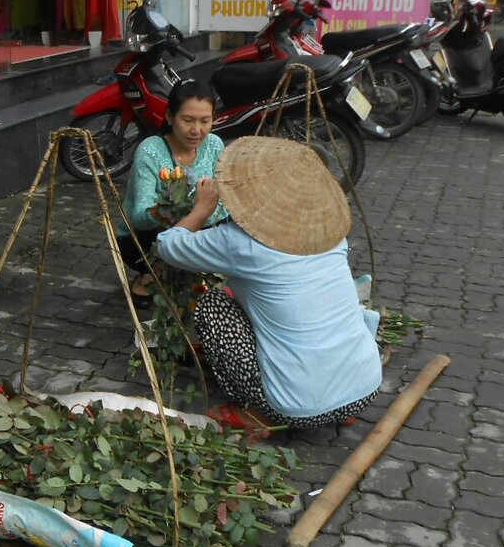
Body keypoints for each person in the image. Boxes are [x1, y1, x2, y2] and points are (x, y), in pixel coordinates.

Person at [156, 137, 383, 432]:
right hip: (364, 390)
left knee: (213, 304)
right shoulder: (330, 237)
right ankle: (339, 407)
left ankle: (255, 412)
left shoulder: (240, 243)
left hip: (296, 407)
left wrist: (202, 208)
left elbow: (169, 246)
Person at [115, 79, 226, 304]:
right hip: (148, 237)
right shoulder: (151, 150)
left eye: (205, 121)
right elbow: (139, 217)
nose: (197, 130)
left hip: (200, 232)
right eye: (187, 120)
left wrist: (202, 212)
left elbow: (223, 202)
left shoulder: (214, 144)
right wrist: (179, 208)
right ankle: (152, 273)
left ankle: (190, 271)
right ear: (169, 117)